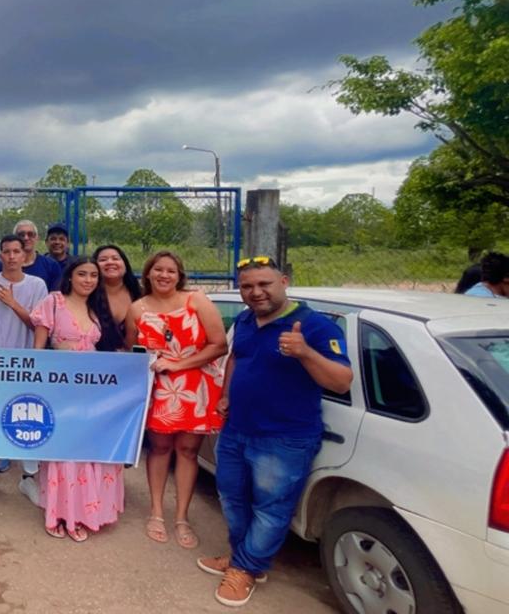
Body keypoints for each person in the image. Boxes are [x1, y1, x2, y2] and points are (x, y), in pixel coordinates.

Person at [198, 256, 351, 607]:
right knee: (233, 499)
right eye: (247, 286)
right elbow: (237, 357)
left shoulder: (315, 327)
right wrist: (225, 394)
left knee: (271, 508)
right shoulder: (246, 319)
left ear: (283, 281)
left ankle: (246, 568)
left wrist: (305, 353)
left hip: (284, 437)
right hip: (236, 429)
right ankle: (243, 558)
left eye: (264, 284)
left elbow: (342, 382)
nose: (256, 292)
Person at [126, 250, 228, 550]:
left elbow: (219, 344)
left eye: (171, 270)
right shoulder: (137, 308)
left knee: (187, 450)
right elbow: (132, 350)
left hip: (195, 387)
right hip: (158, 389)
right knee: (159, 449)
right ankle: (156, 512)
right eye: (158, 269)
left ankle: (182, 517)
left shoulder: (196, 300)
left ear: (179, 275)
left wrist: (178, 364)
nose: (164, 275)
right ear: (148, 273)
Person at [30, 258, 125, 542]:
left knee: (89, 449)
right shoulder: (53, 302)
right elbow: (38, 351)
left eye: (93, 275)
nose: (88, 280)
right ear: (70, 277)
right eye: (82, 274)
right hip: (61, 390)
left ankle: (87, 513)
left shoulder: (98, 307)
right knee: (65, 450)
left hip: (93, 393)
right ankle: (61, 514)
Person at [0, 233, 49, 505]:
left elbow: (39, 325)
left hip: (28, 365)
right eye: (6, 252)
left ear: (24, 254)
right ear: (0, 255)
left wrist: (13, 303)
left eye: (16, 251)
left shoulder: (38, 285)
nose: (11, 256)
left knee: (29, 418)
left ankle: (28, 478)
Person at [0, 221, 62, 291]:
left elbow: (55, 295)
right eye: (21, 235)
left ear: (37, 238)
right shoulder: (0, 266)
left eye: (30, 234)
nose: (26, 238)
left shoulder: (51, 266)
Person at [94, 245, 142, 338]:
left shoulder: (140, 293)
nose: (110, 262)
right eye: (103, 260)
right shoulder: (86, 296)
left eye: (115, 258)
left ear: (125, 264)